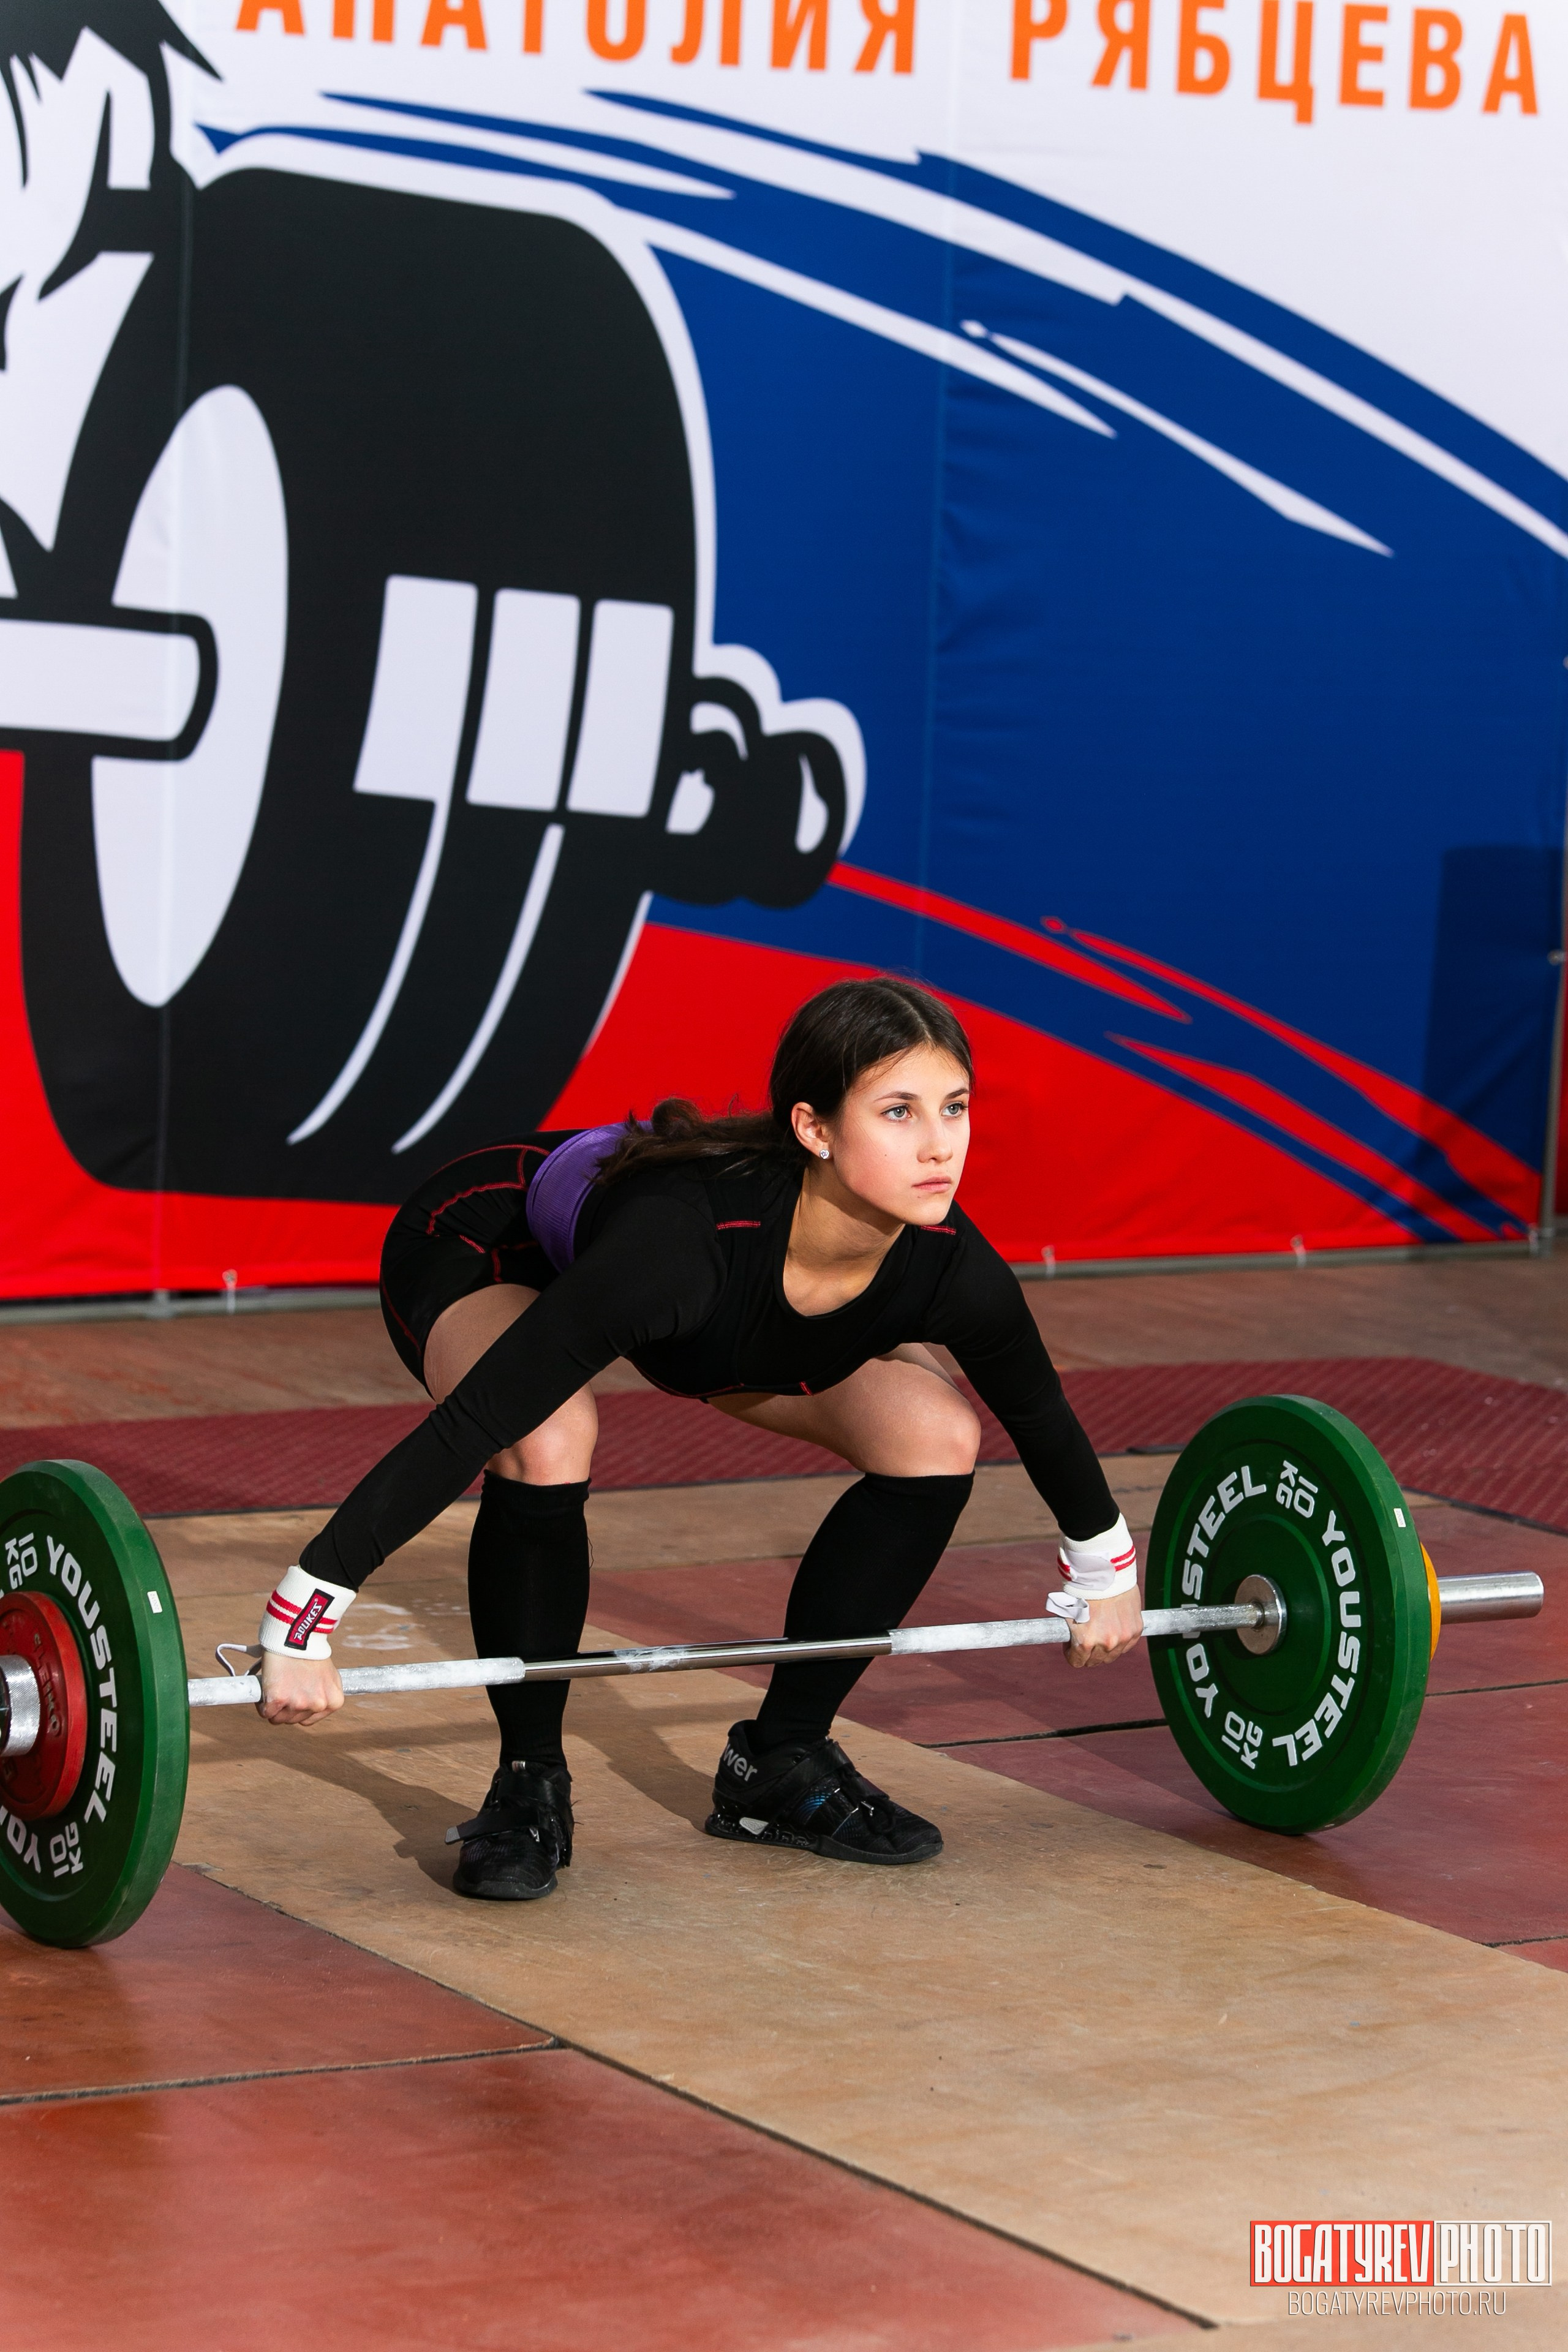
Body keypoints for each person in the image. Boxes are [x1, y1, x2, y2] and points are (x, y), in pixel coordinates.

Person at [254, 978, 1142, 1901]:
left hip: (711, 1323)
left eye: (954, 1107)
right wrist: (304, 1616)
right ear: (814, 1128)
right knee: (547, 1431)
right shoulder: (680, 1247)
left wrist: (1106, 1573)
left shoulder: (949, 1261)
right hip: (494, 1237)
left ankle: (781, 1763)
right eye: (899, 1111)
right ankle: (528, 1784)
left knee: (936, 1434)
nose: (939, 1144)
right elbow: (477, 1420)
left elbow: (1037, 1412)